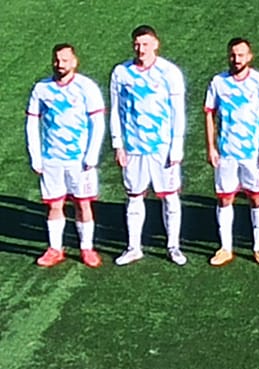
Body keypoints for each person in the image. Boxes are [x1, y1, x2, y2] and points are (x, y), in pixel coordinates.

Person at [108, 25, 186, 267]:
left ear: (156, 44)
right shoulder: (121, 72)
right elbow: (115, 110)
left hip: (162, 147)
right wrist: (118, 144)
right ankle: (134, 247)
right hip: (133, 147)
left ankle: (173, 246)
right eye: (137, 44)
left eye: (145, 44)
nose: (141, 49)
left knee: (170, 196)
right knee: (134, 196)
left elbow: (178, 112)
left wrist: (177, 145)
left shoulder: (169, 72)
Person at [27, 43, 106, 268]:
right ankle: (55, 249)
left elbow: (97, 123)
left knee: (83, 204)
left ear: (74, 61)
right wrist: (36, 155)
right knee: (54, 204)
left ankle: (87, 248)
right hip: (51, 158)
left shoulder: (86, 87)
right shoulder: (42, 89)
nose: (60, 64)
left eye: (64, 60)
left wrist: (91, 155)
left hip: (79, 160)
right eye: (56, 60)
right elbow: (32, 123)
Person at [204, 37, 259, 267]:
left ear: (250, 56)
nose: (237, 59)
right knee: (225, 199)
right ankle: (225, 248)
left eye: (241, 55)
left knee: (256, 197)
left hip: (252, 153)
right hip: (226, 153)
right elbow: (209, 114)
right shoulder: (218, 82)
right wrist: (211, 147)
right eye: (233, 55)